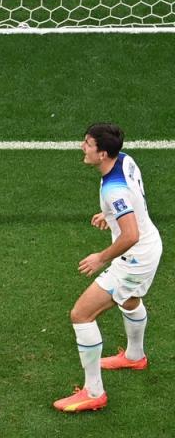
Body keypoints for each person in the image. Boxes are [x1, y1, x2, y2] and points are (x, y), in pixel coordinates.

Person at [53, 123, 163, 413]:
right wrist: (111, 214)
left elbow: (130, 235)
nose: (82, 147)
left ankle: (93, 392)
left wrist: (101, 257)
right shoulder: (125, 159)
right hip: (150, 247)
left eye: (87, 143)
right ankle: (134, 356)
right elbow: (134, 200)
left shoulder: (114, 191)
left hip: (134, 258)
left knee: (81, 314)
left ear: (102, 153)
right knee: (130, 300)